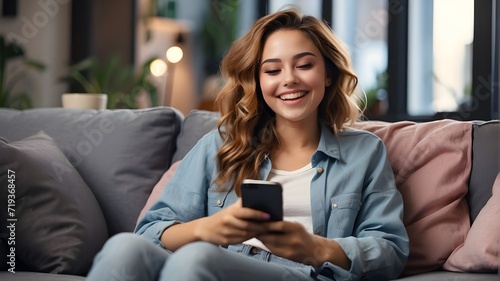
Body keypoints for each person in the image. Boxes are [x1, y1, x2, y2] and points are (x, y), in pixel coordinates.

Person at [86, 7, 408, 281]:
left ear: (328, 74)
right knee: (123, 247)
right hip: (215, 264)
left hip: (296, 273)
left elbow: (390, 251)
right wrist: (208, 229)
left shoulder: (365, 151)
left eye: (305, 65)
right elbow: (151, 231)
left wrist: (315, 247)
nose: (289, 79)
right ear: (258, 80)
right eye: (272, 70)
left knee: (197, 259)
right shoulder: (221, 145)